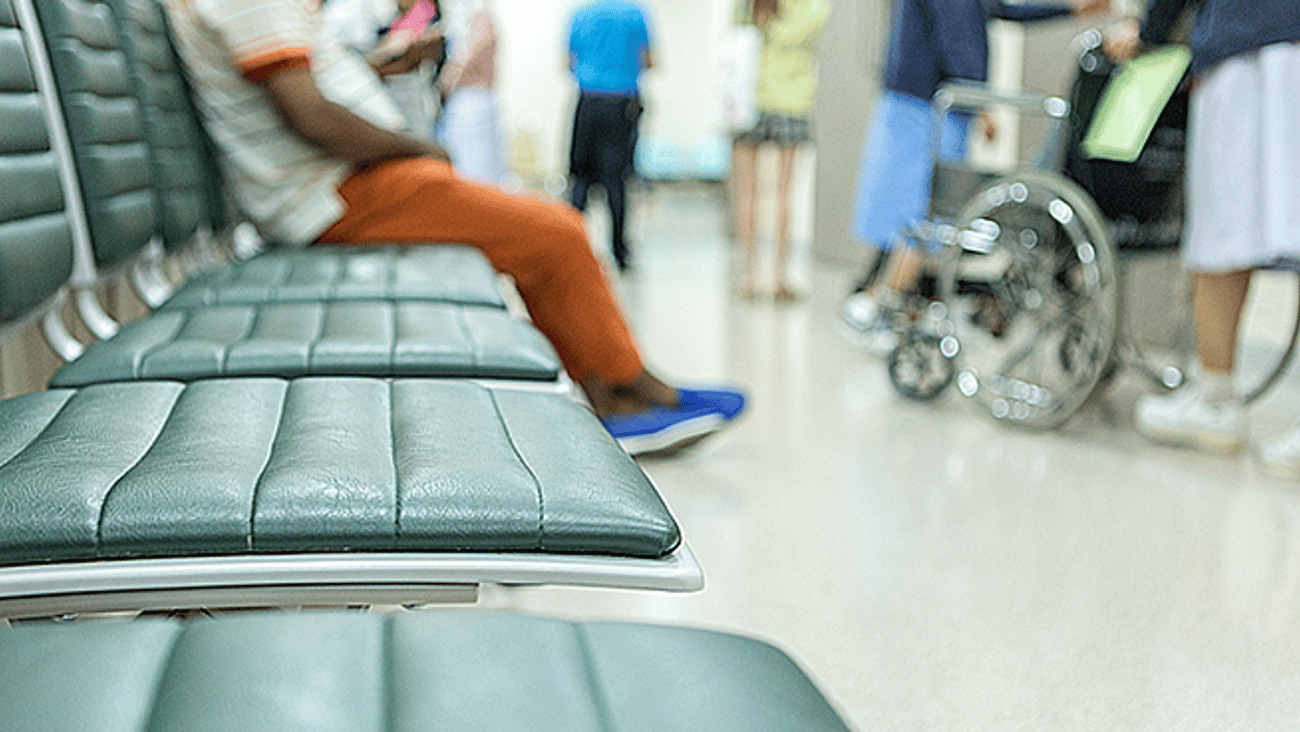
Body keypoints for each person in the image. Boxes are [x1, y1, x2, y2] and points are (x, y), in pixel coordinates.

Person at [160, 0, 746, 455]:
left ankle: (619, 385)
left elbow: (293, 86)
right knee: (554, 232)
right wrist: (419, 148)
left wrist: (374, 69)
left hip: (342, 186)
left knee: (540, 234)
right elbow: (311, 116)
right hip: (337, 196)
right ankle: (625, 392)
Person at [841, 0, 1110, 354]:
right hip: (928, 101)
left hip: (918, 95)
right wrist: (982, 103)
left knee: (917, 210)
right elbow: (956, 31)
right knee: (925, 213)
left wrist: (1070, 11)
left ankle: (882, 301)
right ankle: (881, 304)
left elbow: (994, 7)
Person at [1110, 0, 1300, 476]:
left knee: (1221, 224)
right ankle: (1213, 399)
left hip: (1248, 39)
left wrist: (1150, 31)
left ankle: (1216, 401)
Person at [730, 0, 830, 302]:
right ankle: (777, 277)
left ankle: (748, 275)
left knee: (747, 192)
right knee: (785, 194)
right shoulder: (812, 6)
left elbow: (736, 37)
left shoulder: (748, 4)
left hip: (748, 99)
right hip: (793, 103)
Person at [565, 0, 654, 273]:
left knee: (580, 179)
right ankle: (620, 252)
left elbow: (568, 62)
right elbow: (650, 61)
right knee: (617, 180)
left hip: (588, 101)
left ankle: (569, 247)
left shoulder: (580, 15)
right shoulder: (636, 14)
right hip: (622, 104)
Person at [320, 0, 444, 135]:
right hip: (380, 95)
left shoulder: (423, 9)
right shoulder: (393, 14)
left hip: (410, 97)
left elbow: (397, 52)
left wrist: (371, 62)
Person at [434, 0, 507, 183]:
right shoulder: (467, 14)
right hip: (468, 101)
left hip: (472, 101)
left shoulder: (478, 15)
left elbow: (471, 53)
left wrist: (446, 81)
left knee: (474, 172)